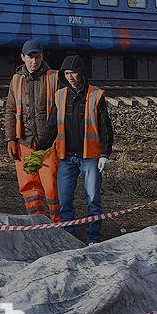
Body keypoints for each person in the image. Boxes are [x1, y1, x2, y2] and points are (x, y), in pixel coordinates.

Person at [36, 55, 113, 243]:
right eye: (67, 73)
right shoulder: (60, 96)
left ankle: (94, 237)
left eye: (74, 73)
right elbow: (51, 127)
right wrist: (39, 150)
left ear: (82, 73)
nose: (70, 77)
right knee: (64, 201)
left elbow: (105, 128)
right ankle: (68, 237)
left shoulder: (95, 95)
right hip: (66, 157)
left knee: (93, 200)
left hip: (90, 157)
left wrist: (105, 153)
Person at [4, 39, 60, 221]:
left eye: (37, 57)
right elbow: (10, 110)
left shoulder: (54, 78)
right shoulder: (16, 80)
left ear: (42, 57)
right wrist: (10, 139)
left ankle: (57, 223)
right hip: (25, 142)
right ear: (23, 58)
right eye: (30, 57)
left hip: (50, 144)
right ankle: (37, 222)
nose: (34, 61)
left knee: (52, 186)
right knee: (29, 186)